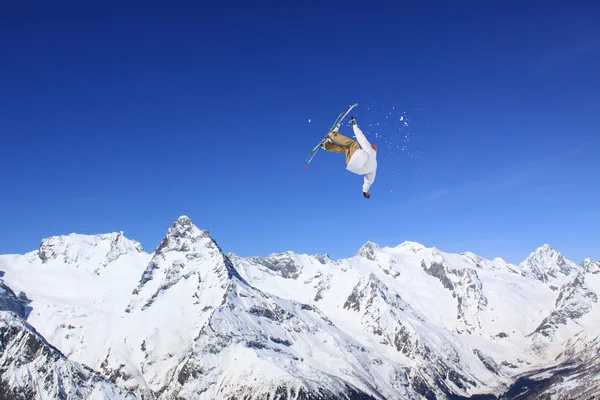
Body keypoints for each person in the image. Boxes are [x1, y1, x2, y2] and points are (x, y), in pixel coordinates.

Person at [322, 116, 377, 198]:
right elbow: (369, 179)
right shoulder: (375, 165)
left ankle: (333, 135)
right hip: (351, 165)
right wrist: (365, 191)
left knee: (353, 144)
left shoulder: (370, 149)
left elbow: (361, 138)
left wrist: (354, 125)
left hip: (357, 157)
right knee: (346, 150)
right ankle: (326, 145)